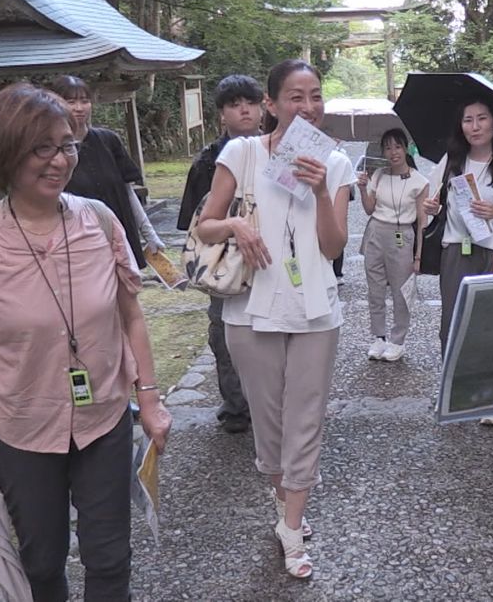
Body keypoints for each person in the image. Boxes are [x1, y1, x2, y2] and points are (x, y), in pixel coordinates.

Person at [0, 83, 172, 601]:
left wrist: (150, 399)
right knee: (41, 563)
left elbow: (130, 317)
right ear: (5, 154)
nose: (59, 161)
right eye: (41, 148)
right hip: (20, 426)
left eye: (66, 145)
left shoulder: (101, 221)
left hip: (105, 417)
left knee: (110, 559)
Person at [196, 59, 354, 579]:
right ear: (271, 104)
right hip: (251, 310)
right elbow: (206, 225)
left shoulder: (333, 161)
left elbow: (333, 247)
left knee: (305, 421)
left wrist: (319, 190)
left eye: (315, 96)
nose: (307, 107)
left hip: (315, 309)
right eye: (294, 97)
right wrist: (238, 223)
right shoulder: (241, 152)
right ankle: (285, 503)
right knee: (269, 425)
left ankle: (291, 525)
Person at [176, 74, 264, 433]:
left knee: (272, 332)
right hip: (224, 263)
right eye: (233, 104)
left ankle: (270, 402)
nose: (243, 109)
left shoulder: (279, 152)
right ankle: (236, 406)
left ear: (263, 108)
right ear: (221, 114)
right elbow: (194, 223)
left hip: (267, 258)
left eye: (250, 102)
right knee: (223, 333)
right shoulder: (208, 161)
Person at [422, 97, 493, 352]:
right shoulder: (450, 162)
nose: (475, 126)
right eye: (468, 120)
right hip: (457, 253)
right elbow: (433, 205)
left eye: (482, 118)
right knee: (454, 326)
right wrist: (432, 209)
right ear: (461, 126)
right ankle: (454, 388)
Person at [51, 75, 164, 269]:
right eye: (71, 102)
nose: (79, 108)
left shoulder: (109, 141)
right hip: (79, 244)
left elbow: (128, 193)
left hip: (120, 234)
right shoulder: (52, 149)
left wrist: (150, 235)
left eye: (84, 101)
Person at [357, 127, 429, 362]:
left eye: (397, 146)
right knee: (375, 289)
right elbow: (369, 209)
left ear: (406, 148)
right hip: (376, 231)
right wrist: (361, 187)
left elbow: (421, 222)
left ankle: (398, 340)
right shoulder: (378, 175)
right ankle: (379, 337)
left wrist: (419, 256)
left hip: (402, 236)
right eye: (387, 147)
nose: (393, 152)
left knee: (401, 291)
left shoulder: (420, 181)